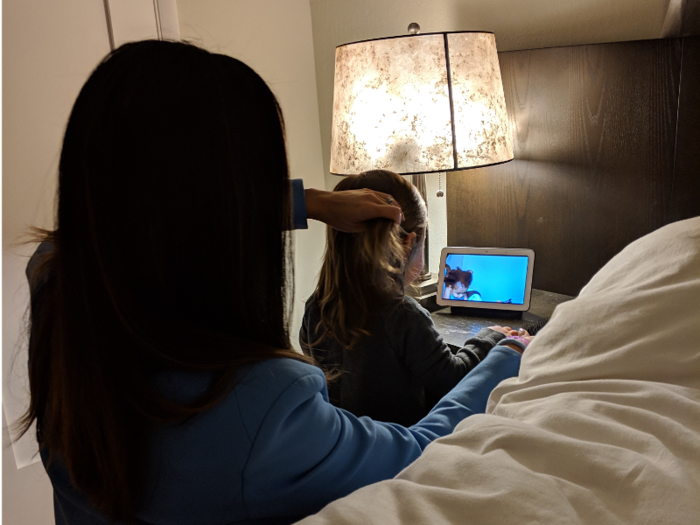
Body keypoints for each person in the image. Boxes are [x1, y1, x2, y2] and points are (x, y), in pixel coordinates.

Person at [17, 40, 527, 525]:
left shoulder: (58, 283)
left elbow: (134, 220)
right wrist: (505, 355)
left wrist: (313, 203)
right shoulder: (257, 408)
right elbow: (417, 451)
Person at [300, 170, 531, 426]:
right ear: (410, 243)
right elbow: (452, 380)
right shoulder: (401, 314)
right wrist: (490, 337)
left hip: (346, 440)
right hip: (399, 445)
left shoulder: (317, 305)